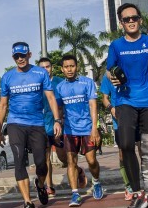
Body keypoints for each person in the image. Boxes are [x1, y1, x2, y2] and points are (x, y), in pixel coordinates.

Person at [106, 3, 148, 208]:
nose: (131, 21)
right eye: (127, 19)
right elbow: (109, 71)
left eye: (134, 17)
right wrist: (114, 78)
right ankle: (136, 191)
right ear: (121, 23)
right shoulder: (116, 46)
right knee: (125, 145)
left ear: (140, 20)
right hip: (125, 101)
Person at [0, 42, 62, 208]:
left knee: (41, 163)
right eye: (16, 56)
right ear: (13, 58)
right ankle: (27, 201)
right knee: (19, 161)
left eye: (23, 55)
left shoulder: (40, 73)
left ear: (29, 55)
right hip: (15, 123)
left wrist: (57, 120)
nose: (20, 59)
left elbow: (51, 98)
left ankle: (40, 185)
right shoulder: (7, 77)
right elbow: (3, 104)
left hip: (36, 124)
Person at [56, 54, 104, 206]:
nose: (69, 69)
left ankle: (96, 182)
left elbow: (93, 106)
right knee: (71, 162)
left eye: (72, 66)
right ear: (62, 69)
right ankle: (75, 194)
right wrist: (57, 124)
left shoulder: (87, 82)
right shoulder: (59, 87)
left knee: (91, 161)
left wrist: (94, 129)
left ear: (77, 67)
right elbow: (58, 109)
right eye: (66, 67)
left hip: (87, 129)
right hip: (69, 131)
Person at [38, 57, 87, 198]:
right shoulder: (37, 84)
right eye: (42, 68)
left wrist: (62, 119)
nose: (45, 70)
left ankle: (78, 171)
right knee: (44, 158)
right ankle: (50, 186)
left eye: (47, 67)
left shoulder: (60, 82)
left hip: (59, 125)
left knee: (64, 159)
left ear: (52, 68)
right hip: (42, 125)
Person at [100, 73, 134, 201]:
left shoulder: (131, 70)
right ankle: (128, 185)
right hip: (118, 121)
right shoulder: (107, 77)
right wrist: (111, 108)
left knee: (142, 149)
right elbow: (104, 98)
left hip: (135, 116)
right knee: (123, 152)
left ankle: (143, 183)